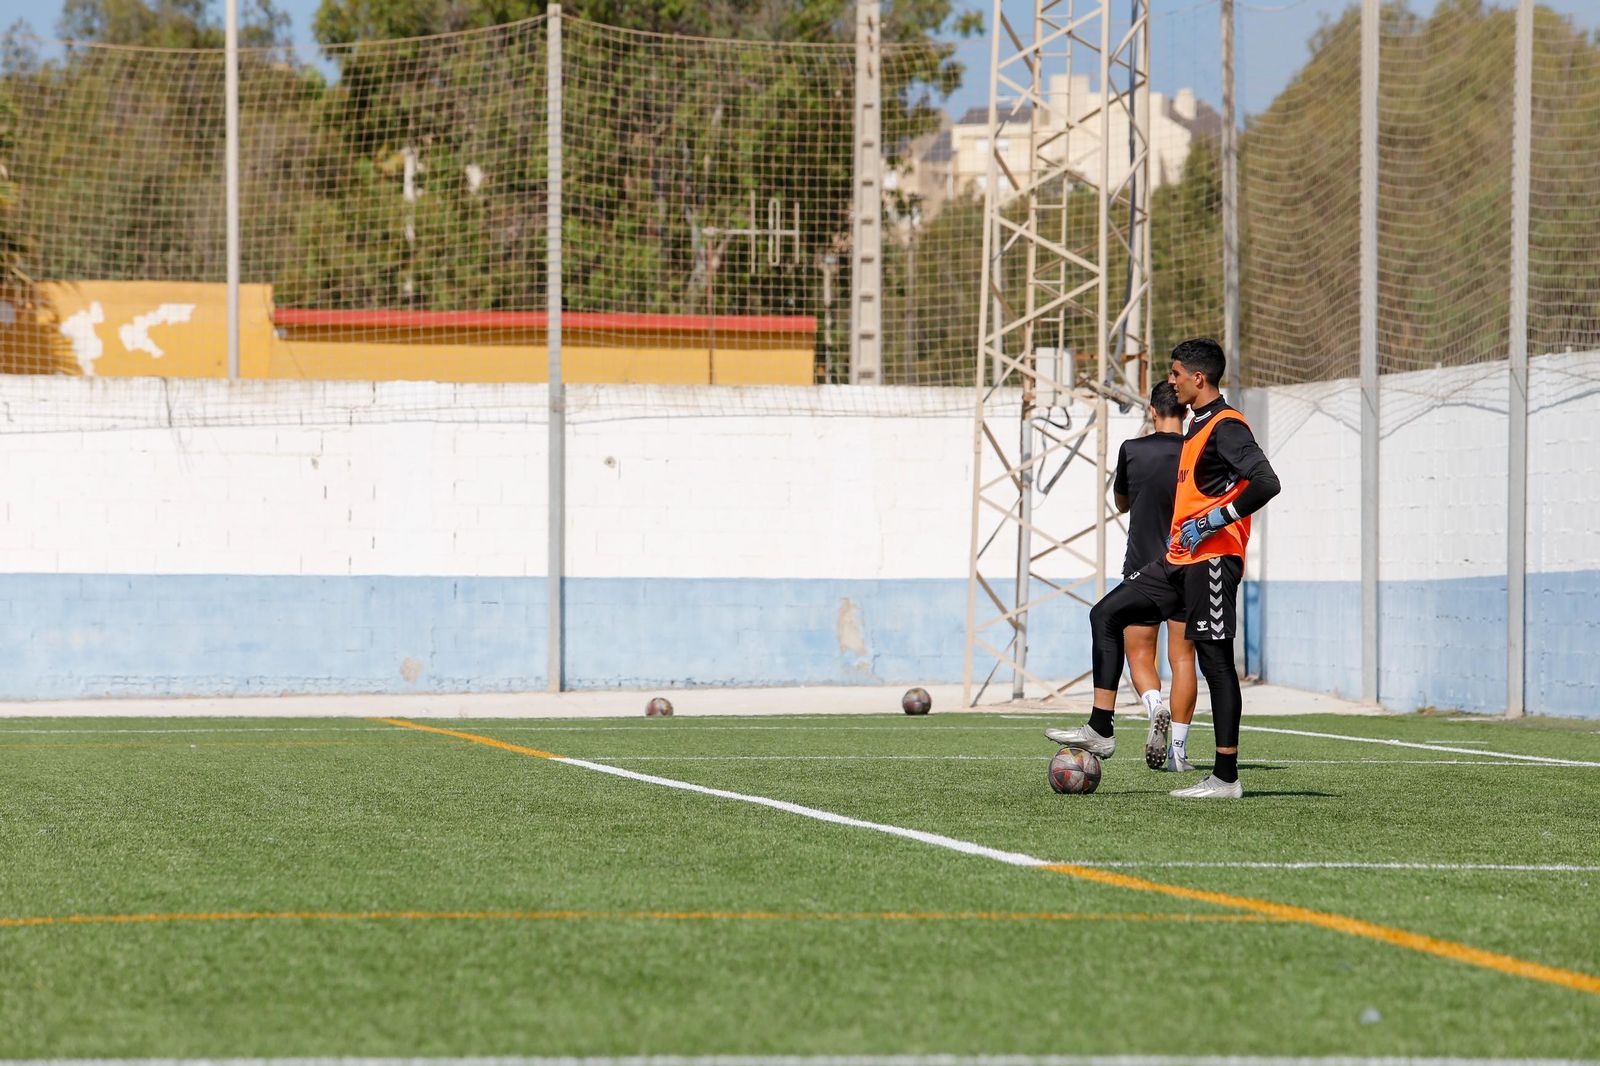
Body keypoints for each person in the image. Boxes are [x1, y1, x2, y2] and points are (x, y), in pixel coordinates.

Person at [1046, 338, 1281, 799]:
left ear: (1198, 377)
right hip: (1177, 560)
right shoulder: (1196, 426)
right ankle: (1101, 729)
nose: (1171, 382)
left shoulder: (1227, 425)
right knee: (1105, 614)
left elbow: (1266, 482)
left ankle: (1226, 778)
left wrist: (1213, 521)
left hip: (1212, 560)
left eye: (1176, 374)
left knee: (1215, 662)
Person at [1112, 382, 1198, 773]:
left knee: (1139, 654)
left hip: (1142, 567)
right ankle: (1178, 751)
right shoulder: (1197, 450)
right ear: (1186, 411)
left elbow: (1122, 503)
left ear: (1152, 411)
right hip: (1187, 565)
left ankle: (1153, 705)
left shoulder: (1132, 450)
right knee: (1183, 659)